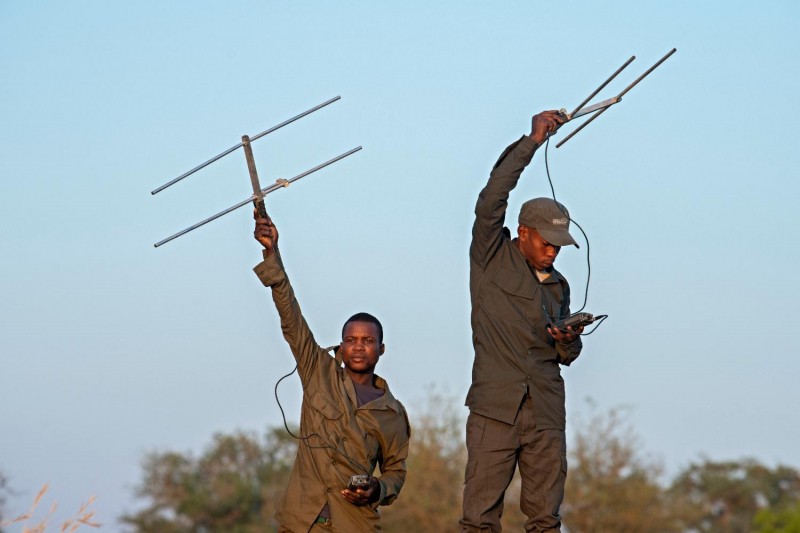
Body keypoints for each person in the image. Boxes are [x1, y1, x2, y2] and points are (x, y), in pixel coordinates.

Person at [460, 110, 585, 532]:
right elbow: (491, 196)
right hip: (496, 408)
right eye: (548, 243)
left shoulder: (559, 285)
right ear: (524, 233)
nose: (554, 251)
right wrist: (531, 143)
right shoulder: (491, 256)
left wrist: (568, 338)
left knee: (546, 521)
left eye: (560, 245)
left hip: (546, 412)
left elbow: (566, 356)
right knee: (479, 519)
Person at [253, 209, 410, 532]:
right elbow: (292, 320)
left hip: (354, 523)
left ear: (381, 349)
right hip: (300, 520)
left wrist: (375, 489)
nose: (358, 346)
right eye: (351, 339)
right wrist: (272, 252)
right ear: (340, 346)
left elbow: (396, 471)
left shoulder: (392, 413)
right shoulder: (318, 372)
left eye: (367, 340)